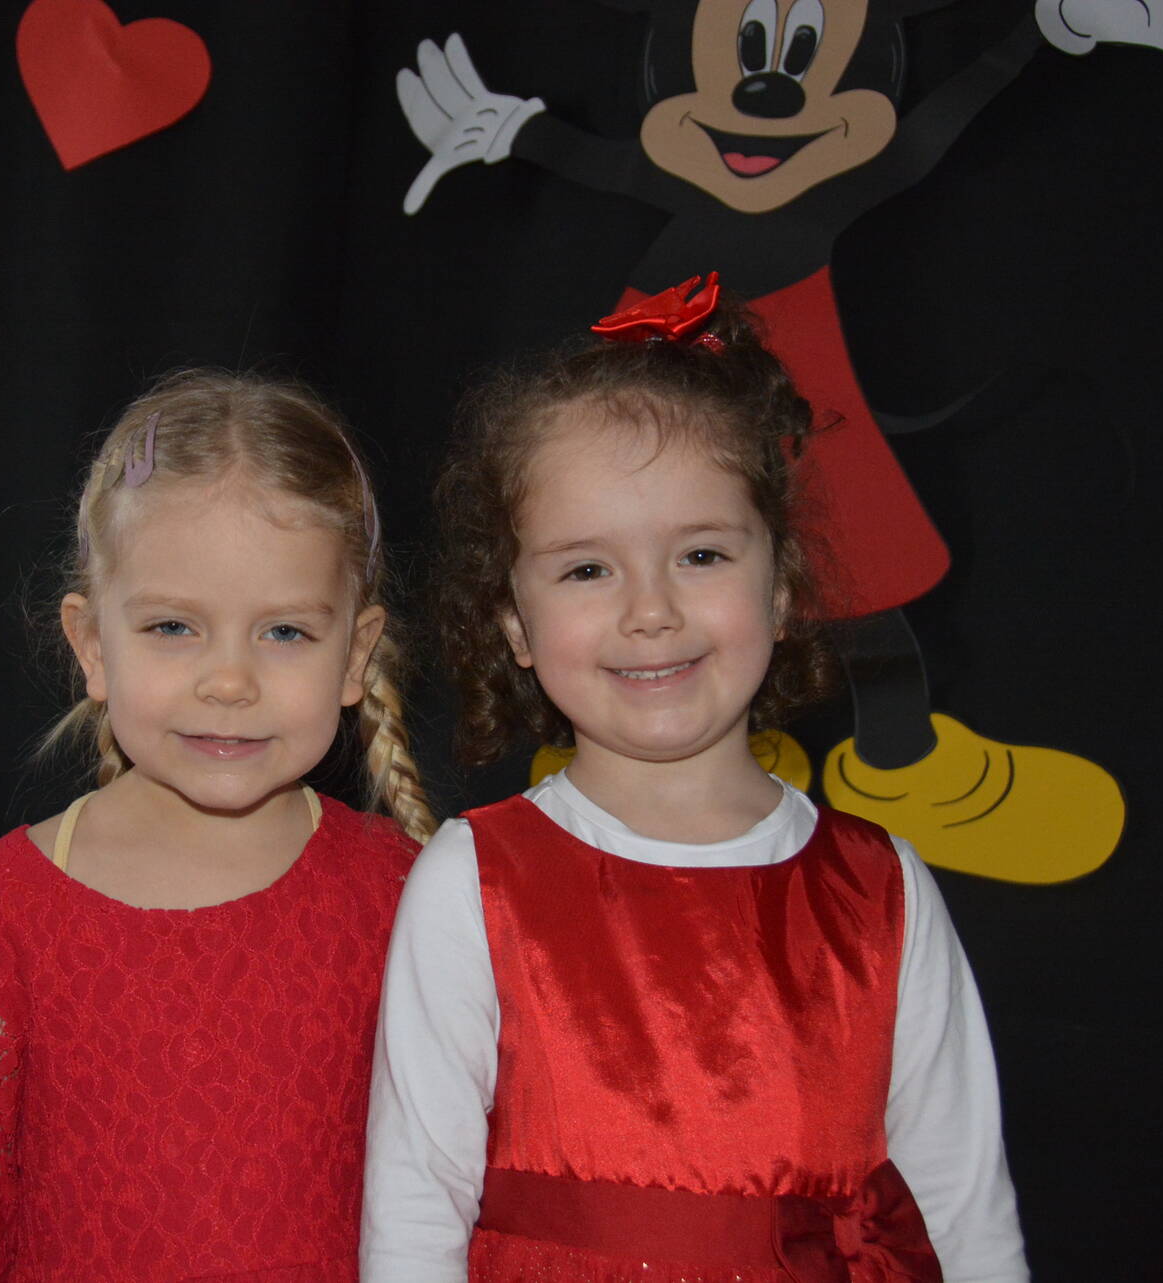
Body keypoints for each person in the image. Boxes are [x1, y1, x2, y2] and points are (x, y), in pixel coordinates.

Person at [360, 277, 1028, 1283]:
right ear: (514, 624)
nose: (651, 611)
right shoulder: (474, 883)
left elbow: (968, 1217)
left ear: (783, 586)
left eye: (702, 554)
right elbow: (414, 1219)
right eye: (588, 569)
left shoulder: (880, 891)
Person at [0, 370, 436, 1282]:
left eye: (285, 633)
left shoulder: (404, 892)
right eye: (173, 627)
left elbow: (453, 1205)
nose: (228, 681)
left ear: (355, 654)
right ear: (92, 645)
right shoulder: (3, 909)